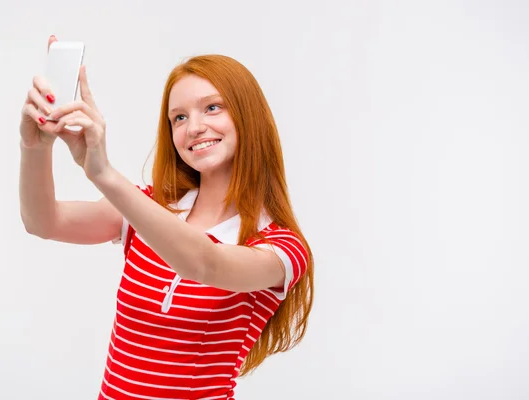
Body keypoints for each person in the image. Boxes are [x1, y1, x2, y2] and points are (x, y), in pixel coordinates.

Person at [19, 35, 314, 400]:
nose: (193, 128)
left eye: (212, 108)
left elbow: (207, 264)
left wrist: (103, 173)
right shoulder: (149, 207)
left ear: (247, 114)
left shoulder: (281, 248)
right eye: (179, 117)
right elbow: (44, 221)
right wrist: (35, 147)